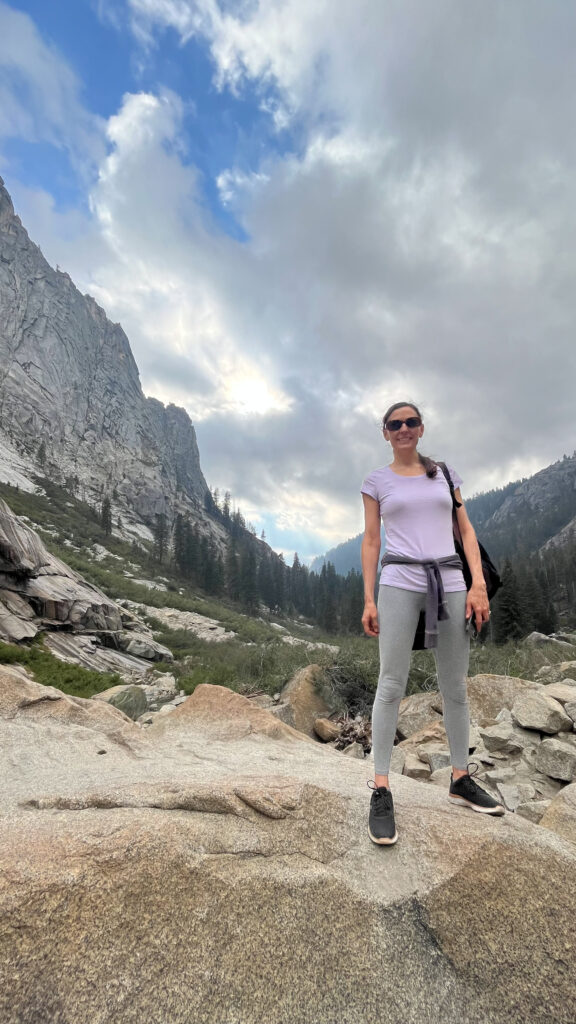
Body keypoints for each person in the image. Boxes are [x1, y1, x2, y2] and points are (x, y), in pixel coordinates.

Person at [361, 401, 504, 845]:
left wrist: (477, 583)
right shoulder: (376, 481)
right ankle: (381, 788)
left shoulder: (444, 473)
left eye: (411, 422)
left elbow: (466, 532)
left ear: (421, 428)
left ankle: (460, 778)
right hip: (399, 579)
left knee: (455, 685)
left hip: (450, 579)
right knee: (391, 683)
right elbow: (371, 540)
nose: (403, 429)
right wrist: (368, 598)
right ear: (385, 433)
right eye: (394, 424)